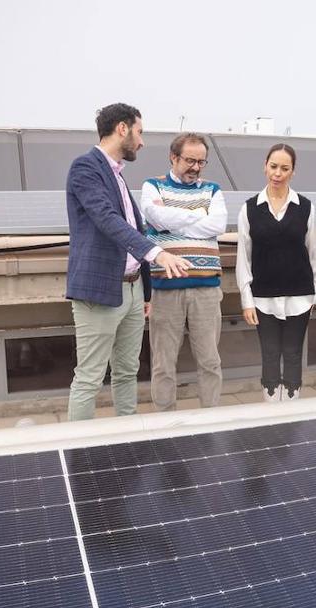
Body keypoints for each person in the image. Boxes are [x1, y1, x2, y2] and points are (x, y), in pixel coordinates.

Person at [64, 103, 192, 420]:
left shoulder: (118, 175)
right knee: (90, 378)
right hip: (100, 291)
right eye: (139, 131)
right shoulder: (85, 169)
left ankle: (128, 439)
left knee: (127, 371)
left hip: (133, 292)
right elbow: (107, 220)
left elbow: (133, 227)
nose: (142, 141)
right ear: (122, 128)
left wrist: (144, 293)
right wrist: (156, 252)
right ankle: (76, 449)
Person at [140, 133, 228, 411]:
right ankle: (166, 423)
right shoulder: (152, 186)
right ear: (173, 157)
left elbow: (218, 226)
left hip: (206, 290)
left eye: (201, 162)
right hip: (165, 290)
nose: (196, 167)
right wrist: (199, 217)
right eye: (190, 160)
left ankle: (210, 419)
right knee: (163, 364)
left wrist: (171, 220)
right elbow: (155, 216)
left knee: (210, 361)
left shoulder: (213, 190)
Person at [235, 143, 316, 402]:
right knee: (270, 354)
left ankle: (292, 412)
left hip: (300, 297)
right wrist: (246, 299)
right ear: (265, 166)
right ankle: (272, 411)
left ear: (293, 172)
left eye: (285, 168)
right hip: (262, 298)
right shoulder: (249, 208)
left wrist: (315, 294)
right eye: (273, 166)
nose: (278, 173)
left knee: (294, 354)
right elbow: (244, 257)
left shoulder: (306, 207)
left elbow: (314, 252)